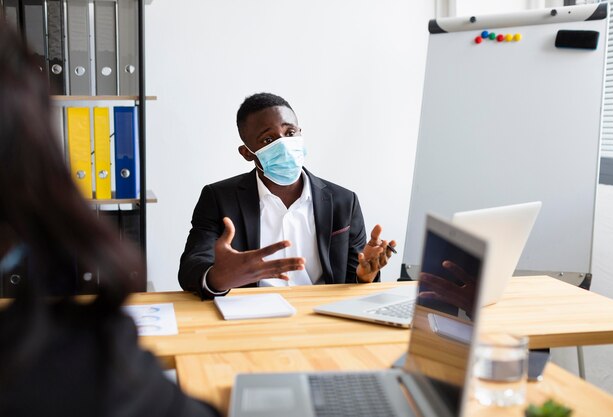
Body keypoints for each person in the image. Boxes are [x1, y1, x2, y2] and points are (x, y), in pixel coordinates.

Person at [0, 23, 220, 417]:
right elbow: (195, 266)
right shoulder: (75, 363)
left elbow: (355, 269)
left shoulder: (341, 200)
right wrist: (216, 276)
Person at [179, 92, 396, 299]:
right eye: (267, 140)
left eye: (290, 133)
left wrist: (364, 276)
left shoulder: (344, 202)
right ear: (247, 153)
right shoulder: (218, 198)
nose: (283, 143)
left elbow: (353, 281)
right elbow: (191, 268)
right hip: (250, 319)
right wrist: (217, 277)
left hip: (319, 319)